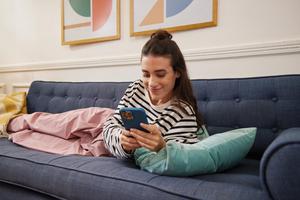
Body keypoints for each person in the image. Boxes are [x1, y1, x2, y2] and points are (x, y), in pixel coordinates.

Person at [103, 30, 206, 159]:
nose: (151, 83)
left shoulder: (182, 112)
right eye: (146, 74)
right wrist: (122, 141)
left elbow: (188, 158)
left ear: (177, 72)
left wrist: (162, 147)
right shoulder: (136, 88)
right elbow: (109, 126)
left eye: (160, 74)